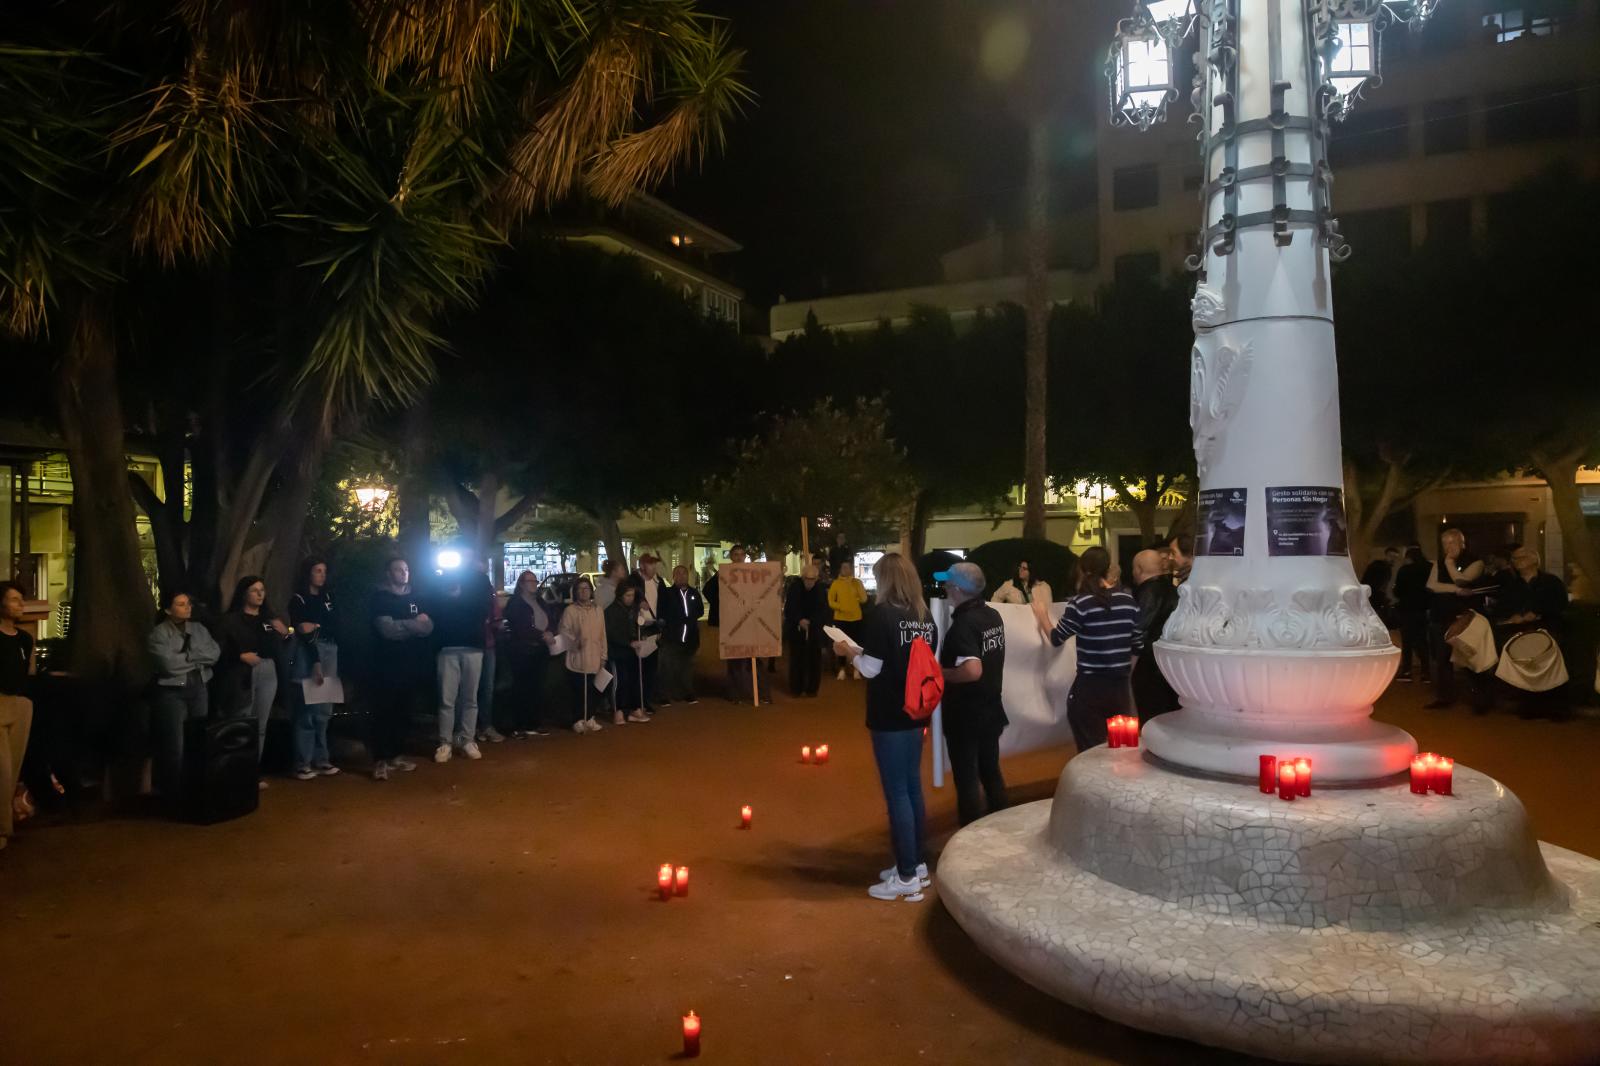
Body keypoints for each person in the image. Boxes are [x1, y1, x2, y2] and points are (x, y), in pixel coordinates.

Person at [833, 553, 939, 902]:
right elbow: (902, 659)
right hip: (916, 712)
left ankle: (907, 875)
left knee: (898, 794)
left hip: (889, 715)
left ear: (887, 581)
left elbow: (871, 669)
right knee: (911, 788)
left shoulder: (882, 615)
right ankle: (915, 864)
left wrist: (848, 652)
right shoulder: (925, 618)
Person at [938, 563, 1009, 826]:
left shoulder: (963, 625)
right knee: (990, 771)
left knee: (967, 779)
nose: (944, 588)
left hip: (966, 715)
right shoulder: (993, 616)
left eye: (947, 584)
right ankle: (1003, 827)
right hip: (991, 709)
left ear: (956, 590)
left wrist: (941, 673)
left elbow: (972, 669)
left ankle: (969, 838)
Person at [1049, 546, 1138, 751]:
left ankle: (1095, 783)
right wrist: (1124, 672)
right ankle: (1122, 783)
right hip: (1121, 689)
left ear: (1082, 569)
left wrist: (1042, 615)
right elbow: (1138, 644)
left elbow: (1056, 638)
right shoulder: (1128, 601)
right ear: (1108, 569)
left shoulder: (1080, 604)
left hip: (1090, 687)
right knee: (1124, 748)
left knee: (1092, 750)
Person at [147, 590, 222, 799]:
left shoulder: (198, 629)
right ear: (168, 609)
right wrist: (196, 659)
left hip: (199, 687)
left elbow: (214, 653)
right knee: (175, 745)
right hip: (172, 692)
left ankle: (197, 787)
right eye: (181, 604)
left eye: (188, 603)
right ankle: (173, 791)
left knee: (198, 739)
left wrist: (187, 656)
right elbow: (167, 665)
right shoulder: (159, 634)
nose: (187, 607)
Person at [218, 575, 289, 786]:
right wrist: (239, 656)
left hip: (268, 669)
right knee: (240, 720)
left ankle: (252, 771)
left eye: (262, 590)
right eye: (254, 590)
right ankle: (233, 771)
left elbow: (283, 644)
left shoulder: (268, 620)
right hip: (242, 671)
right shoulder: (230, 620)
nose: (260, 594)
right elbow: (219, 650)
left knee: (261, 723)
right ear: (243, 594)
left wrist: (284, 633)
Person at [368, 557, 431, 781]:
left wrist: (402, 623)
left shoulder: (416, 597)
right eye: (398, 569)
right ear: (388, 573)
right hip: (385, 666)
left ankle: (396, 754)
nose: (403, 573)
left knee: (403, 712)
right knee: (384, 712)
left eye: (406, 569)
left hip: (409, 665)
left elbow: (428, 627)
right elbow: (387, 630)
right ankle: (380, 760)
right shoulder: (380, 598)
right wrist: (413, 624)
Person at [430, 553, 493, 763]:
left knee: (470, 698)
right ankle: (445, 742)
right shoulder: (439, 578)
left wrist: (458, 599)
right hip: (446, 645)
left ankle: (467, 739)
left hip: (473, 645)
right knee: (446, 699)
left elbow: (483, 609)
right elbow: (434, 609)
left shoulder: (479, 579)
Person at [288, 557, 341, 780]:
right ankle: (303, 762)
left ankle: (322, 758)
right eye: (317, 570)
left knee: (324, 710)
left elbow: (335, 623)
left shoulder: (328, 597)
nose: (322, 575)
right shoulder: (299, 599)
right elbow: (302, 629)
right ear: (308, 573)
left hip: (330, 648)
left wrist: (317, 625)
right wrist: (315, 660)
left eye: (324, 570)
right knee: (307, 708)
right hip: (309, 652)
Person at [1424, 528, 1484, 710]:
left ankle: (1479, 698)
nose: (1448, 547)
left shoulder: (1476, 562)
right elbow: (1432, 585)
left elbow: (1463, 580)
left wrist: (1450, 565)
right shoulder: (1438, 563)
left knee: (1469, 657)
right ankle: (1445, 697)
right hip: (1440, 615)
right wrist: (1456, 590)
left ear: (1462, 543)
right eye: (1445, 544)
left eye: (1452, 542)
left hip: (1463, 617)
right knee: (1442, 659)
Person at [0, 581, 36, 852]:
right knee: (2, 770)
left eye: (21, 599)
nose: (20, 605)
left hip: (20, 703)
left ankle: (5, 825)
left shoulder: (25, 639)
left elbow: (29, 672)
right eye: (14, 599)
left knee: (13, 767)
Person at [505, 570, 558, 737]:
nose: (534, 584)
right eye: (530, 581)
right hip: (523, 649)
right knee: (522, 687)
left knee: (537, 686)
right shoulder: (515, 603)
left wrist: (550, 631)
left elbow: (550, 619)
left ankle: (534, 722)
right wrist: (541, 634)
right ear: (521, 584)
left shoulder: (540, 601)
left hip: (540, 649)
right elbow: (520, 627)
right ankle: (519, 724)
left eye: (535, 581)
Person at [1129, 548, 1180, 721]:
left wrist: (1129, 666)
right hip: (1173, 667)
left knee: (1150, 719)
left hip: (1148, 668)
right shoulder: (1175, 592)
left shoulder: (1147, 594)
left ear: (1138, 569)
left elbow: (1139, 630)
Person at [718, 546, 769, 704]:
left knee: (755, 661)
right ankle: (736, 694)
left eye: (741, 555)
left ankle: (760, 694)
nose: (739, 557)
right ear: (731, 556)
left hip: (751, 624)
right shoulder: (724, 574)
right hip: (733, 625)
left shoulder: (753, 574)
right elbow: (711, 591)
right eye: (736, 555)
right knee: (735, 661)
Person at [558, 576, 606, 733]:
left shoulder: (598, 610)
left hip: (595, 657)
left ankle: (590, 716)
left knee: (595, 689)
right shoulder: (570, 611)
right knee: (579, 690)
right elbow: (564, 630)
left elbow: (602, 634)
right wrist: (574, 641)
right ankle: (578, 719)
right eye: (580, 589)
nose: (584, 592)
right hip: (577, 657)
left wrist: (603, 655)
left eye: (586, 588)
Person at [622, 554, 667, 709]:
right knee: (636, 670)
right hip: (638, 630)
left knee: (650, 669)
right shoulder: (632, 582)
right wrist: (637, 604)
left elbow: (662, 605)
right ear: (642, 565)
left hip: (654, 629)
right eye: (650, 564)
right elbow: (624, 602)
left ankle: (645, 701)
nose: (654, 567)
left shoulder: (659, 582)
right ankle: (635, 703)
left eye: (655, 564)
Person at [606, 585, 652, 725]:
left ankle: (635, 708)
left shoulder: (634, 610)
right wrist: (629, 642)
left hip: (632, 651)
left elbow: (637, 626)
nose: (630, 598)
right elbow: (612, 633)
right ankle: (618, 710)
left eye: (632, 595)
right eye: (627, 595)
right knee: (620, 681)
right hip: (617, 652)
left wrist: (641, 635)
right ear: (620, 595)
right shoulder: (611, 611)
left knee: (635, 679)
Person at [657, 565, 704, 705]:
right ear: (673, 576)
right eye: (678, 573)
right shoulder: (667, 593)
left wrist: (690, 618)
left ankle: (687, 693)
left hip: (690, 637)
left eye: (684, 573)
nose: (682, 576)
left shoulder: (694, 593)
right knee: (667, 667)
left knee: (687, 667)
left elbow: (700, 611)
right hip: (671, 637)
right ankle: (664, 695)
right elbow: (662, 611)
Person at [784, 564, 828, 697]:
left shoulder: (820, 589)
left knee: (814, 659)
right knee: (797, 658)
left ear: (816, 579)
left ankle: (812, 689)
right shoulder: (794, 588)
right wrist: (799, 620)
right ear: (802, 578)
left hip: (814, 629)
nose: (809, 582)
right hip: (797, 629)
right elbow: (790, 608)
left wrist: (812, 622)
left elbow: (823, 610)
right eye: (807, 579)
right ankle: (796, 688)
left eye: (812, 579)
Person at [475, 557, 506, 745]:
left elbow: (496, 615)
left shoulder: (488, 590)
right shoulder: (462, 590)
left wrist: (497, 623)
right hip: (474, 643)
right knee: (472, 689)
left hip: (487, 643)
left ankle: (485, 725)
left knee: (486, 687)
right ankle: (472, 728)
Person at [1393, 545, 1433, 682]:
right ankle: (1426, 672)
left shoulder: (1404, 570)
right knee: (1422, 640)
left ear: (1408, 557)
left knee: (1407, 641)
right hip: (1423, 609)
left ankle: (1407, 671)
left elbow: (1398, 591)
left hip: (1407, 609)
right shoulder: (1429, 568)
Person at [827, 561, 868, 680]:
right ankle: (841, 669)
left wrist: (857, 587)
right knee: (841, 645)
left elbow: (864, 599)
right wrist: (840, 607)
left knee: (856, 645)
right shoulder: (835, 584)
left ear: (851, 569)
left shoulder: (857, 582)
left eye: (847, 567)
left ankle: (856, 670)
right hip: (840, 619)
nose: (844, 569)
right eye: (843, 567)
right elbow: (830, 601)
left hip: (856, 618)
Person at [1361, 546, 1402, 622]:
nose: (1393, 559)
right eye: (1391, 556)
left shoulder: (1386, 568)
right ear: (1386, 555)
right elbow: (1374, 584)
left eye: (1395, 557)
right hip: (1372, 598)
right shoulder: (1379, 566)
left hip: (1373, 597)